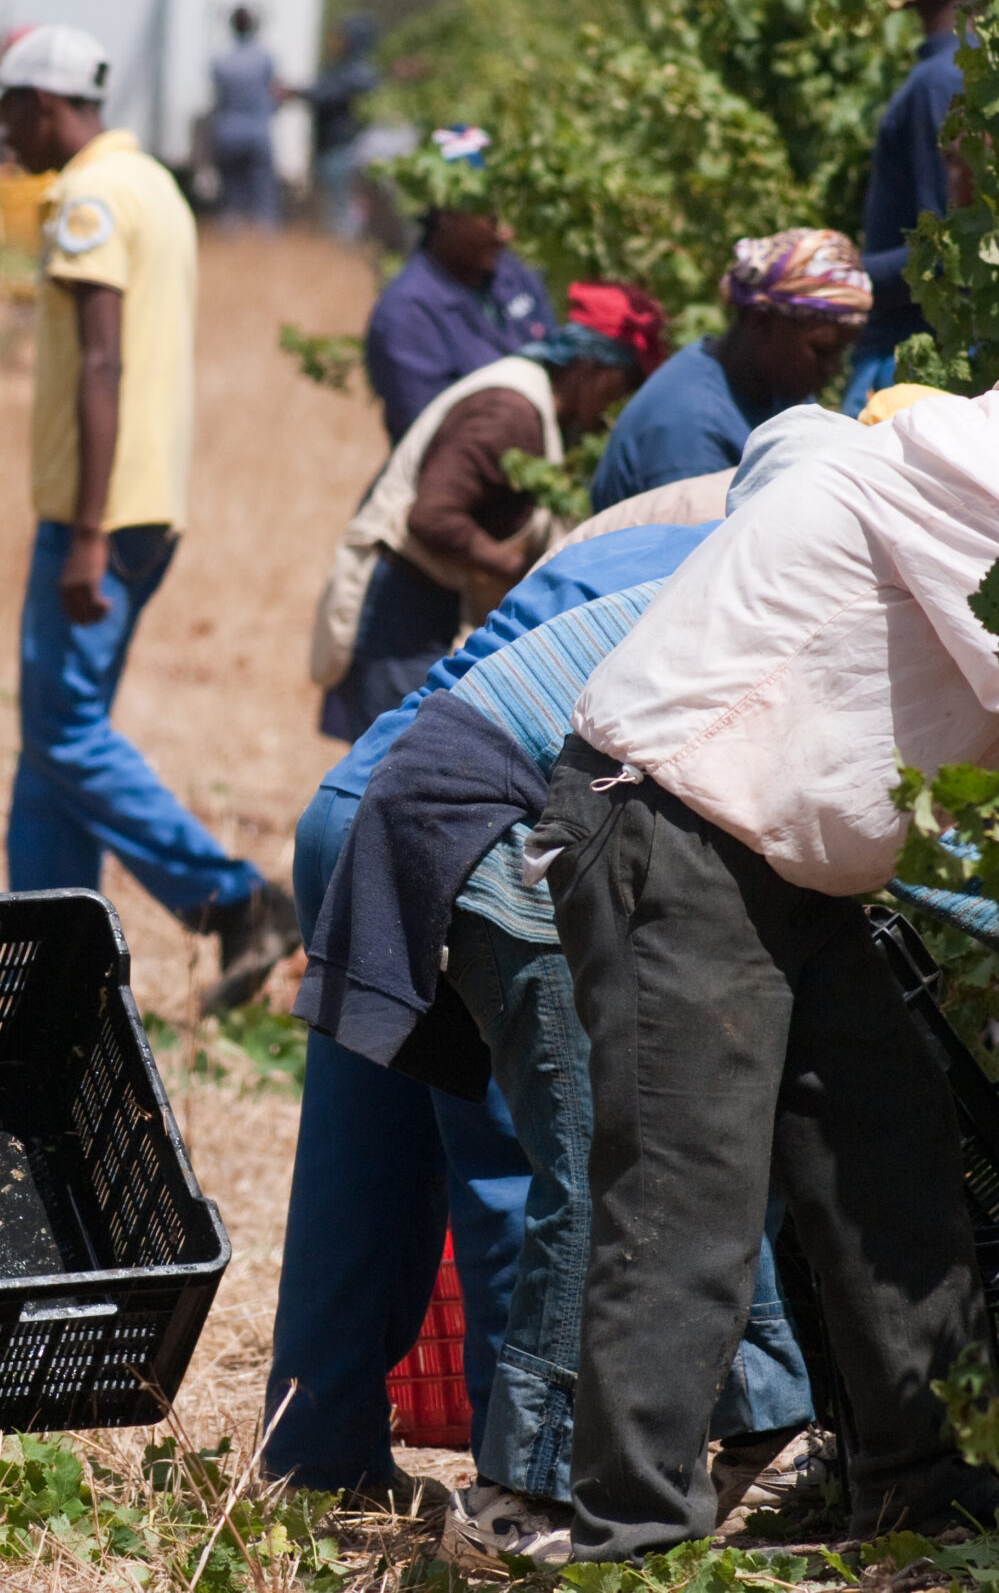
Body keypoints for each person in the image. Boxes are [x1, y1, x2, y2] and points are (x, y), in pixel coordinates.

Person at [535, 385, 999, 1557]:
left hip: (778, 860)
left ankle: (922, 1484)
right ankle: (629, 1542)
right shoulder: (987, 495)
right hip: (675, 831)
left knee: (885, 1138)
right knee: (688, 1195)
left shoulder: (969, 477)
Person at [265, 514, 725, 1514]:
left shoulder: (636, 527)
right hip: (475, 833)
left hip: (352, 813)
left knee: (363, 1160)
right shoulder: (772, 571)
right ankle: (523, 1487)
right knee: (517, 1160)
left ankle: (316, 1455)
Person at [0, 24, 301, 1015]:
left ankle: (235, 901)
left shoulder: (88, 200)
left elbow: (101, 363)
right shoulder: (151, 182)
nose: (4, 140)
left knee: (63, 731)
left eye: (9, 117)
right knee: (49, 737)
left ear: (42, 104)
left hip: (97, 509)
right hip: (142, 499)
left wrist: (86, 531)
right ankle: (44, 952)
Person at [311, 284, 667, 742]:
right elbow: (433, 516)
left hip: (426, 598)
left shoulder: (539, 407)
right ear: (592, 368)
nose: (619, 406)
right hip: (397, 603)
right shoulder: (509, 412)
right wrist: (528, 573)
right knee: (388, 762)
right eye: (626, 384)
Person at [587, 229, 867, 512]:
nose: (832, 368)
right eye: (822, 349)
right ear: (762, 322)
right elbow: (698, 546)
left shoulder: (776, 391)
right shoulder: (688, 426)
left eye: (842, 352)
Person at [361, 129, 552, 446]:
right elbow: (434, 441)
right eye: (489, 218)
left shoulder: (514, 276)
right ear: (447, 215)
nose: (504, 233)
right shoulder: (407, 314)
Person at [846, 0, 975, 414]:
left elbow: (943, 253)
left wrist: (837, 279)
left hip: (905, 362)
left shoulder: (938, 80)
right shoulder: (969, 66)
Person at [300, 13, 380, 237]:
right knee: (329, 210)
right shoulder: (341, 69)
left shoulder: (359, 73)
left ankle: (344, 255)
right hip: (332, 148)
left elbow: (322, 94)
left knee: (340, 211)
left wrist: (296, 92)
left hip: (342, 149)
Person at [209, 6, 280, 229]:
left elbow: (218, 96)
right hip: (257, 133)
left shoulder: (221, 62)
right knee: (263, 197)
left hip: (227, 132)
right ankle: (264, 247)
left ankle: (231, 241)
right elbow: (272, 92)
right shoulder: (264, 59)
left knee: (231, 195)